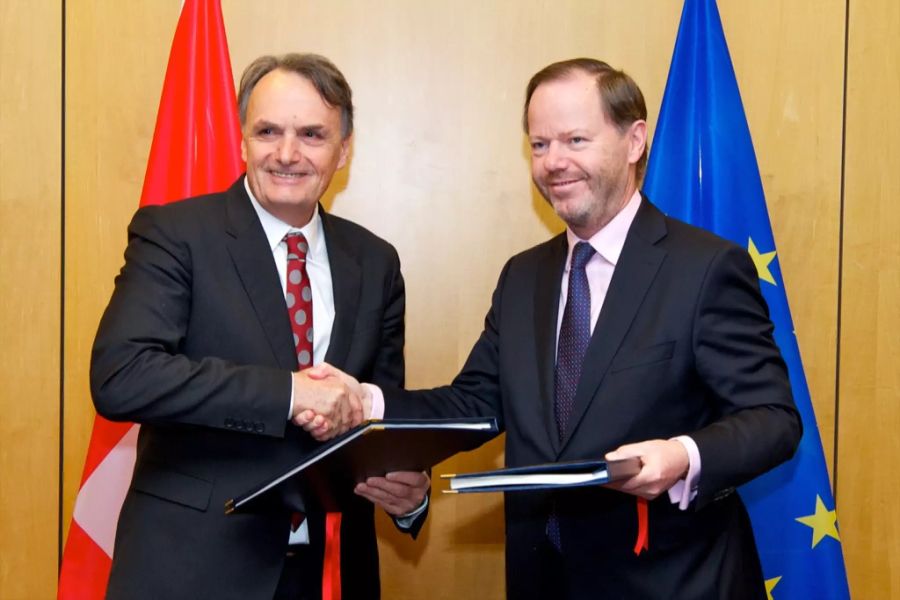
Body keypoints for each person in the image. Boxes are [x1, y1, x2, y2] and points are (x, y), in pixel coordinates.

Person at [325, 58, 802, 599]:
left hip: (673, 580)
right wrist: (365, 402)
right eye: (539, 144)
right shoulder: (523, 276)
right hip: (543, 580)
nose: (554, 162)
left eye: (575, 139)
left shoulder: (705, 268)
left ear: (634, 140)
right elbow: (475, 403)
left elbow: (773, 419)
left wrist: (682, 455)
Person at [91, 53, 428, 600]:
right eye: (268, 131)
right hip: (194, 569)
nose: (287, 154)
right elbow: (121, 375)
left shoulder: (375, 261)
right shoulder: (176, 235)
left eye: (312, 134)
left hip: (330, 570)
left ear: (344, 150)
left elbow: (377, 412)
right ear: (242, 141)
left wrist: (408, 494)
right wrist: (290, 393)